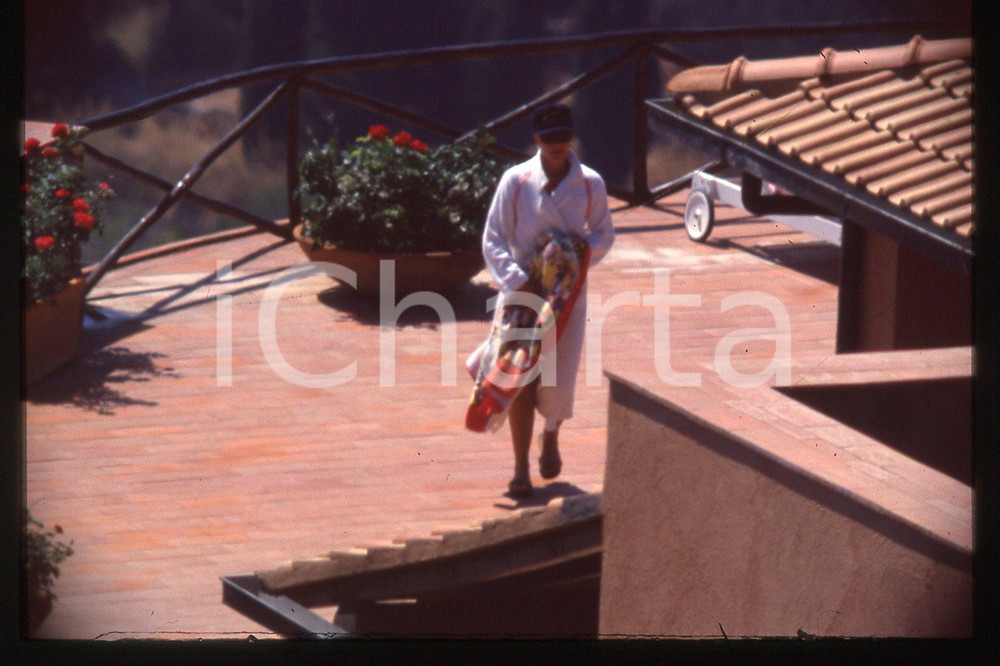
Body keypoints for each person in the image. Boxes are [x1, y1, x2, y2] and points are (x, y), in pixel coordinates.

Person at [481, 103, 615, 498]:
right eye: (549, 138)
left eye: (563, 137)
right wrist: (518, 280)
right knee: (520, 375)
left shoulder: (590, 183)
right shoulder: (516, 181)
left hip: (568, 296)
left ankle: (552, 431)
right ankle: (520, 466)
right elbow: (493, 238)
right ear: (536, 140)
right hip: (523, 293)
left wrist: (575, 255)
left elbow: (604, 233)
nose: (558, 145)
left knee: (558, 374)